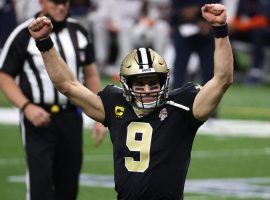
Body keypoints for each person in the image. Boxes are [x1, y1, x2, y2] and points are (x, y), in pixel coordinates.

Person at [28, 3, 233, 199]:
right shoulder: (115, 104)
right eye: (139, 84)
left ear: (165, 81)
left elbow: (222, 79)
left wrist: (220, 29)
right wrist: (45, 43)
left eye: (153, 83)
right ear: (126, 84)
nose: (147, 90)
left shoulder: (182, 106)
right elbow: (68, 86)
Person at [0, 0, 106, 199]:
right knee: (40, 186)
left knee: (68, 186)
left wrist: (100, 114)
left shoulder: (79, 31)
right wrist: (26, 106)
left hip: (71, 117)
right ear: (41, 1)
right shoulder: (24, 33)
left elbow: (91, 74)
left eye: (64, 2)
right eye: (55, 2)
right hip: (38, 119)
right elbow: (4, 75)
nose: (61, 7)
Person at [170, 0, 221, 88]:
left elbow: (217, 6)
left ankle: (208, 96)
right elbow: (179, 10)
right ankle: (176, 96)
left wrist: (199, 10)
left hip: (206, 30)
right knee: (180, 68)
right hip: (183, 28)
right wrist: (196, 19)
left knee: (208, 68)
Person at [228, 0, 270, 84]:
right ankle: (234, 68)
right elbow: (238, 17)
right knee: (226, 34)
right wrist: (232, 25)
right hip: (248, 31)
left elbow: (263, 20)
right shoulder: (243, 2)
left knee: (258, 32)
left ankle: (256, 70)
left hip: (264, 34)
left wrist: (240, 26)